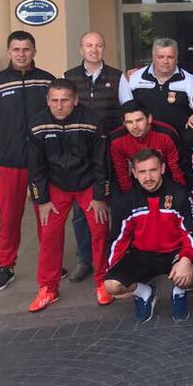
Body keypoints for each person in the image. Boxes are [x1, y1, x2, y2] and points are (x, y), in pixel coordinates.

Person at [25, 79, 111, 312]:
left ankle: (103, 281)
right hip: (55, 186)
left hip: (87, 184)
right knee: (49, 235)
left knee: (100, 230)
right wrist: (41, 200)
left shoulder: (91, 121)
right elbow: (35, 167)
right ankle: (48, 288)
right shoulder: (37, 124)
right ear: (47, 101)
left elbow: (101, 162)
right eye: (54, 100)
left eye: (65, 100)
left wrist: (99, 196)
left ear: (75, 100)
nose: (59, 106)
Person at [0, 31, 55, 293]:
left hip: (42, 161)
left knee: (46, 214)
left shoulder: (47, 81)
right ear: (9, 52)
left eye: (26, 49)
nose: (21, 54)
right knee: (9, 217)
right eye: (16, 49)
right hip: (8, 162)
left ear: (34, 51)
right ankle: (6, 266)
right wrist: (6, 142)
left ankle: (50, 262)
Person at [103, 148, 193, 323]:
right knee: (111, 285)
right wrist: (112, 271)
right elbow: (117, 239)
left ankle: (179, 292)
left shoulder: (180, 194)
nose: (148, 177)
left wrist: (186, 259)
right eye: (142, 172)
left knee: (189, 275)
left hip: (174, 253)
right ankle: (145, 293)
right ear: (134, 173)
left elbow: (192, 232)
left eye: (153, 170)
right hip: (142, 255)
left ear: (162, 168)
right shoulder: (126, 200)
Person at [64, 31, 124, 283]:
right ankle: (85, 260)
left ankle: (114, 256)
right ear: (81, 50)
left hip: (111, 151)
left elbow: (126, 111)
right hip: (81, 155)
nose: (93, 49)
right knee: (81, 211)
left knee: (115, 206)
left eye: (98, 45)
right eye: (88, 45)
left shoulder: (117, 77)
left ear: (104, 48)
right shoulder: (68, 78)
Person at [120, 38, 193, 134]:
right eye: (161, 57)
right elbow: (127, 109)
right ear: (153, 57)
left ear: (177, 58)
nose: (165, 61)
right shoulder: (136, 78)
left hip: (177, 138)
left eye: (170, 57)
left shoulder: (189, 80)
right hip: (144, 138)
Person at [109, 101, 186, 195]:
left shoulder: (167, 134)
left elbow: (177, 169)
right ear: (124, 123)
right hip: (139, 181)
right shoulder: (116, 140)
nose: (135, 126)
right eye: (129, 122)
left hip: (166, 179)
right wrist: (129, 196)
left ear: (149, 119)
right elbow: (121, 173)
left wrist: (180, 194)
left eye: (139, 120)